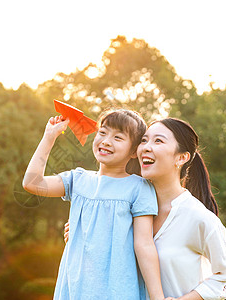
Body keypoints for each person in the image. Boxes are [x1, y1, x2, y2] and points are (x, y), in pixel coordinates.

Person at [64, 117, 226, 300]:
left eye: (158, 141)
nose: (146, 147)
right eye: (144, 140)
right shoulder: (124, 206)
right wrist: (82, 233)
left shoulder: (197, 217)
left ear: (181, 157)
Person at [23, 109, 165, 300]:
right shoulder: (77, 180)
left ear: (133, 151)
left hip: (118, 291)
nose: (106, 141)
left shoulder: (138, 188)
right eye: (103, 132)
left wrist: (158, 297)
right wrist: (49, 137)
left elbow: (144, 245)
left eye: (118, 137)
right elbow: (32, 184)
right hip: (74, 289)